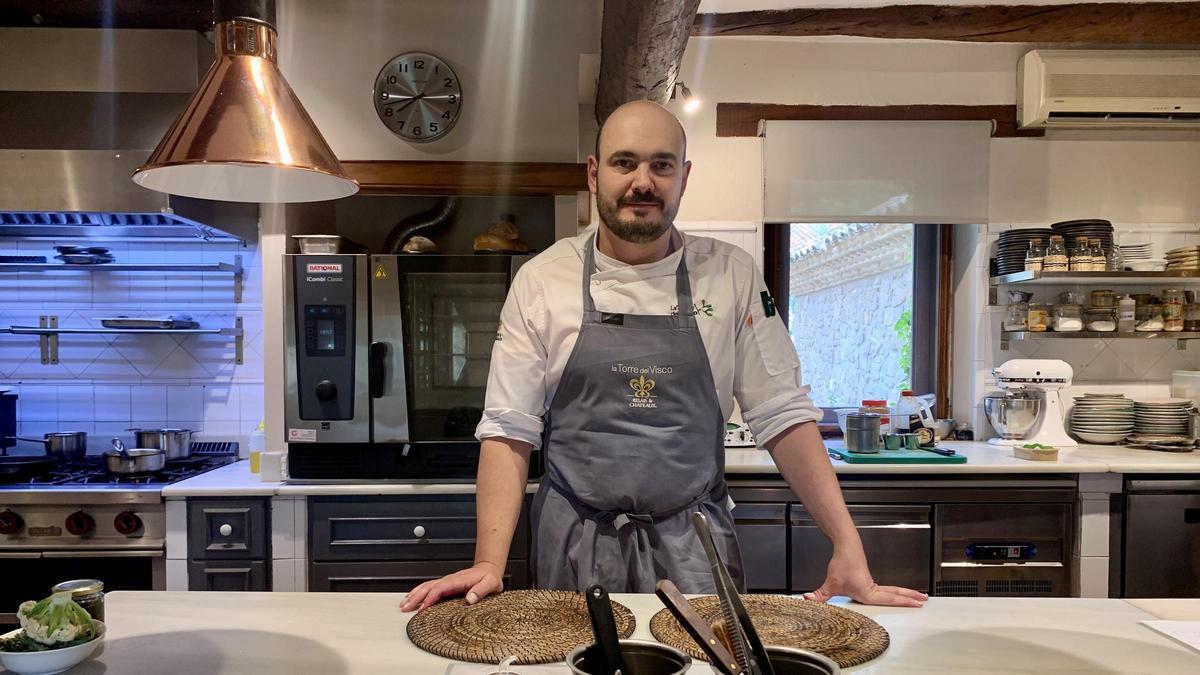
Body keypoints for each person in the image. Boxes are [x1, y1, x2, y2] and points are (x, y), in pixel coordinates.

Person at [401, 100, 927, 612]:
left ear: (684, 176)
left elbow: (783, 413)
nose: (643, 181)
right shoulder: (542, 280)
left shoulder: (730, 274)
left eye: (662, 165)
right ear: (593, 173)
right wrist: (489, 562)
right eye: (624, 162)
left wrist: (846, 543)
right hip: (574, 546)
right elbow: (509, 429)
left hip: (696, 548)